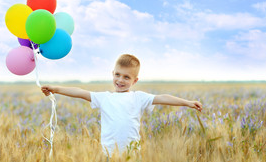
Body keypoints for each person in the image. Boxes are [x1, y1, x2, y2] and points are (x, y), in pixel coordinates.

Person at [41, 54, 203, 155]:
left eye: (126, 77)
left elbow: (163, 98)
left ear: (135, 80)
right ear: (112, 74)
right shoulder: (104, 98)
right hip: (108, 155)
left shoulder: (139, 97)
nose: (120, 80)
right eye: (117, 75)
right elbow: (80, 92)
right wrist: (56, 89)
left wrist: (187, 103)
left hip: (132, 153)